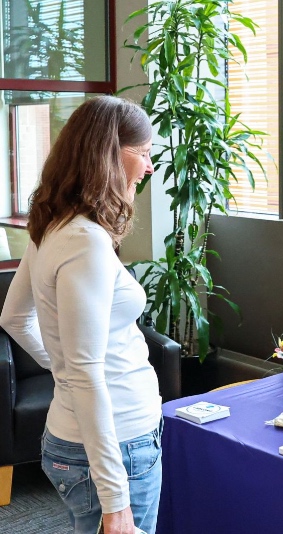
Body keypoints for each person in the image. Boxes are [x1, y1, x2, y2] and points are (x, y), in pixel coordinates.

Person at [0, 96, 162, 533]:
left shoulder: (53, 225)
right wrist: (115, 502)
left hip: (85, 437)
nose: (149, 167)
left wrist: (64, 370)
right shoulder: (84, 240)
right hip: (116, 448)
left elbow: (14, 317)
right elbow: (87, 371)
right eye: (144, 153)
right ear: (110, 154)